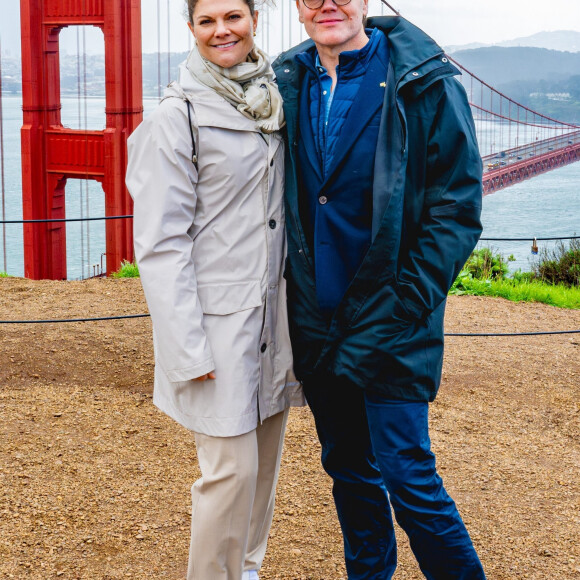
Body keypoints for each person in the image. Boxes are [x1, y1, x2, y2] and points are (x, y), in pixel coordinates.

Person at [272, 1, 486, 578]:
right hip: (316, 319)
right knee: (349, 473)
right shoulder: (285, 80)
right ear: (296, 7)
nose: (327, 3)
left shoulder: (427, 82)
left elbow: (457, 208)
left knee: (408, 475)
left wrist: (409, 301)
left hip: (394, 314)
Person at [126, 1, 304, 578]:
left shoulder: (272, 97)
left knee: (262, 466)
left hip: (273, 318)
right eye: (207, 20)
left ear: (254, 20)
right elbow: (160, 244)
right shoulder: (175, 119)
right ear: (191, 30)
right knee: (228, 475)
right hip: (215, 326)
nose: (222, 30)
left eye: (234, 16)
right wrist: (186, 348)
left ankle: (248, 570)